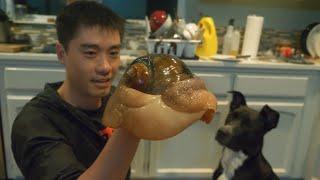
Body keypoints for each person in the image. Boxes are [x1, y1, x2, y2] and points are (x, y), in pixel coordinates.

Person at [11, 1, 140, 180]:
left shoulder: (116, 99)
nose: (105, 67)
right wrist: (132, 126)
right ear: (61, 53)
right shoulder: (33, 123)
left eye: (113, 53)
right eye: (90, 53)